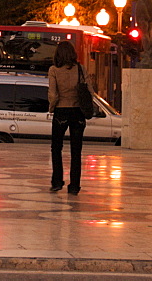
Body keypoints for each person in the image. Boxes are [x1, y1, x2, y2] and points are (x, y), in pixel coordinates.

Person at [48, 40, 86, 195]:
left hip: (61, 111)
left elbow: (53, 94)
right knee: (76, 151)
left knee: (56, 148)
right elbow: (88, 89)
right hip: (77, 112)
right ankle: (74, 185)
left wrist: (52, 108)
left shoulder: (54, 70)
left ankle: (57, 181)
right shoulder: (80, 69)